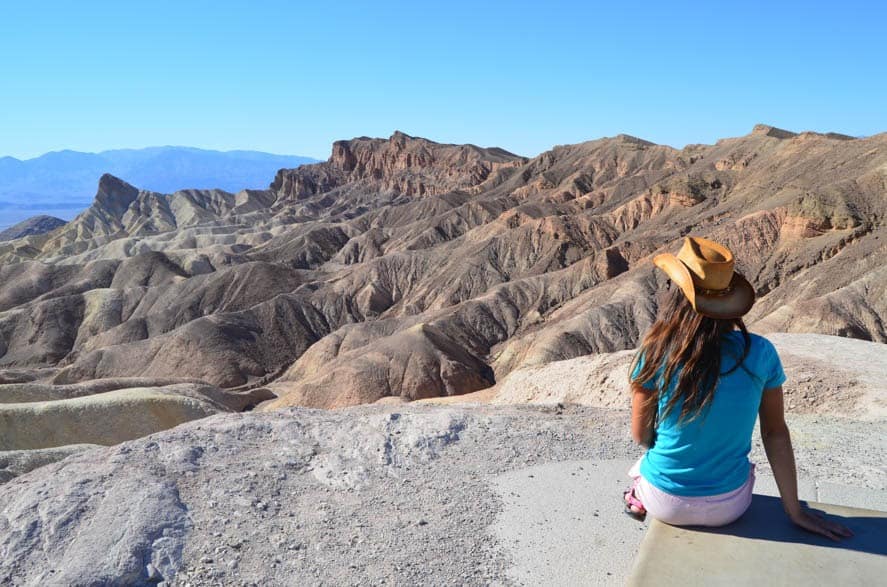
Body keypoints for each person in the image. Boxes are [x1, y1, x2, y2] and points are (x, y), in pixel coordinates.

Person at [623, 236, 853, 541]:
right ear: (729, 302)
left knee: (643, 464)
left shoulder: (654, 352)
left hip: (665, 504)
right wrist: (794, 511)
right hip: (730, 507)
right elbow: (775, 433)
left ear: (677, 295)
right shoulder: (760, 353)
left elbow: (640, 436)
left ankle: (636, 496)